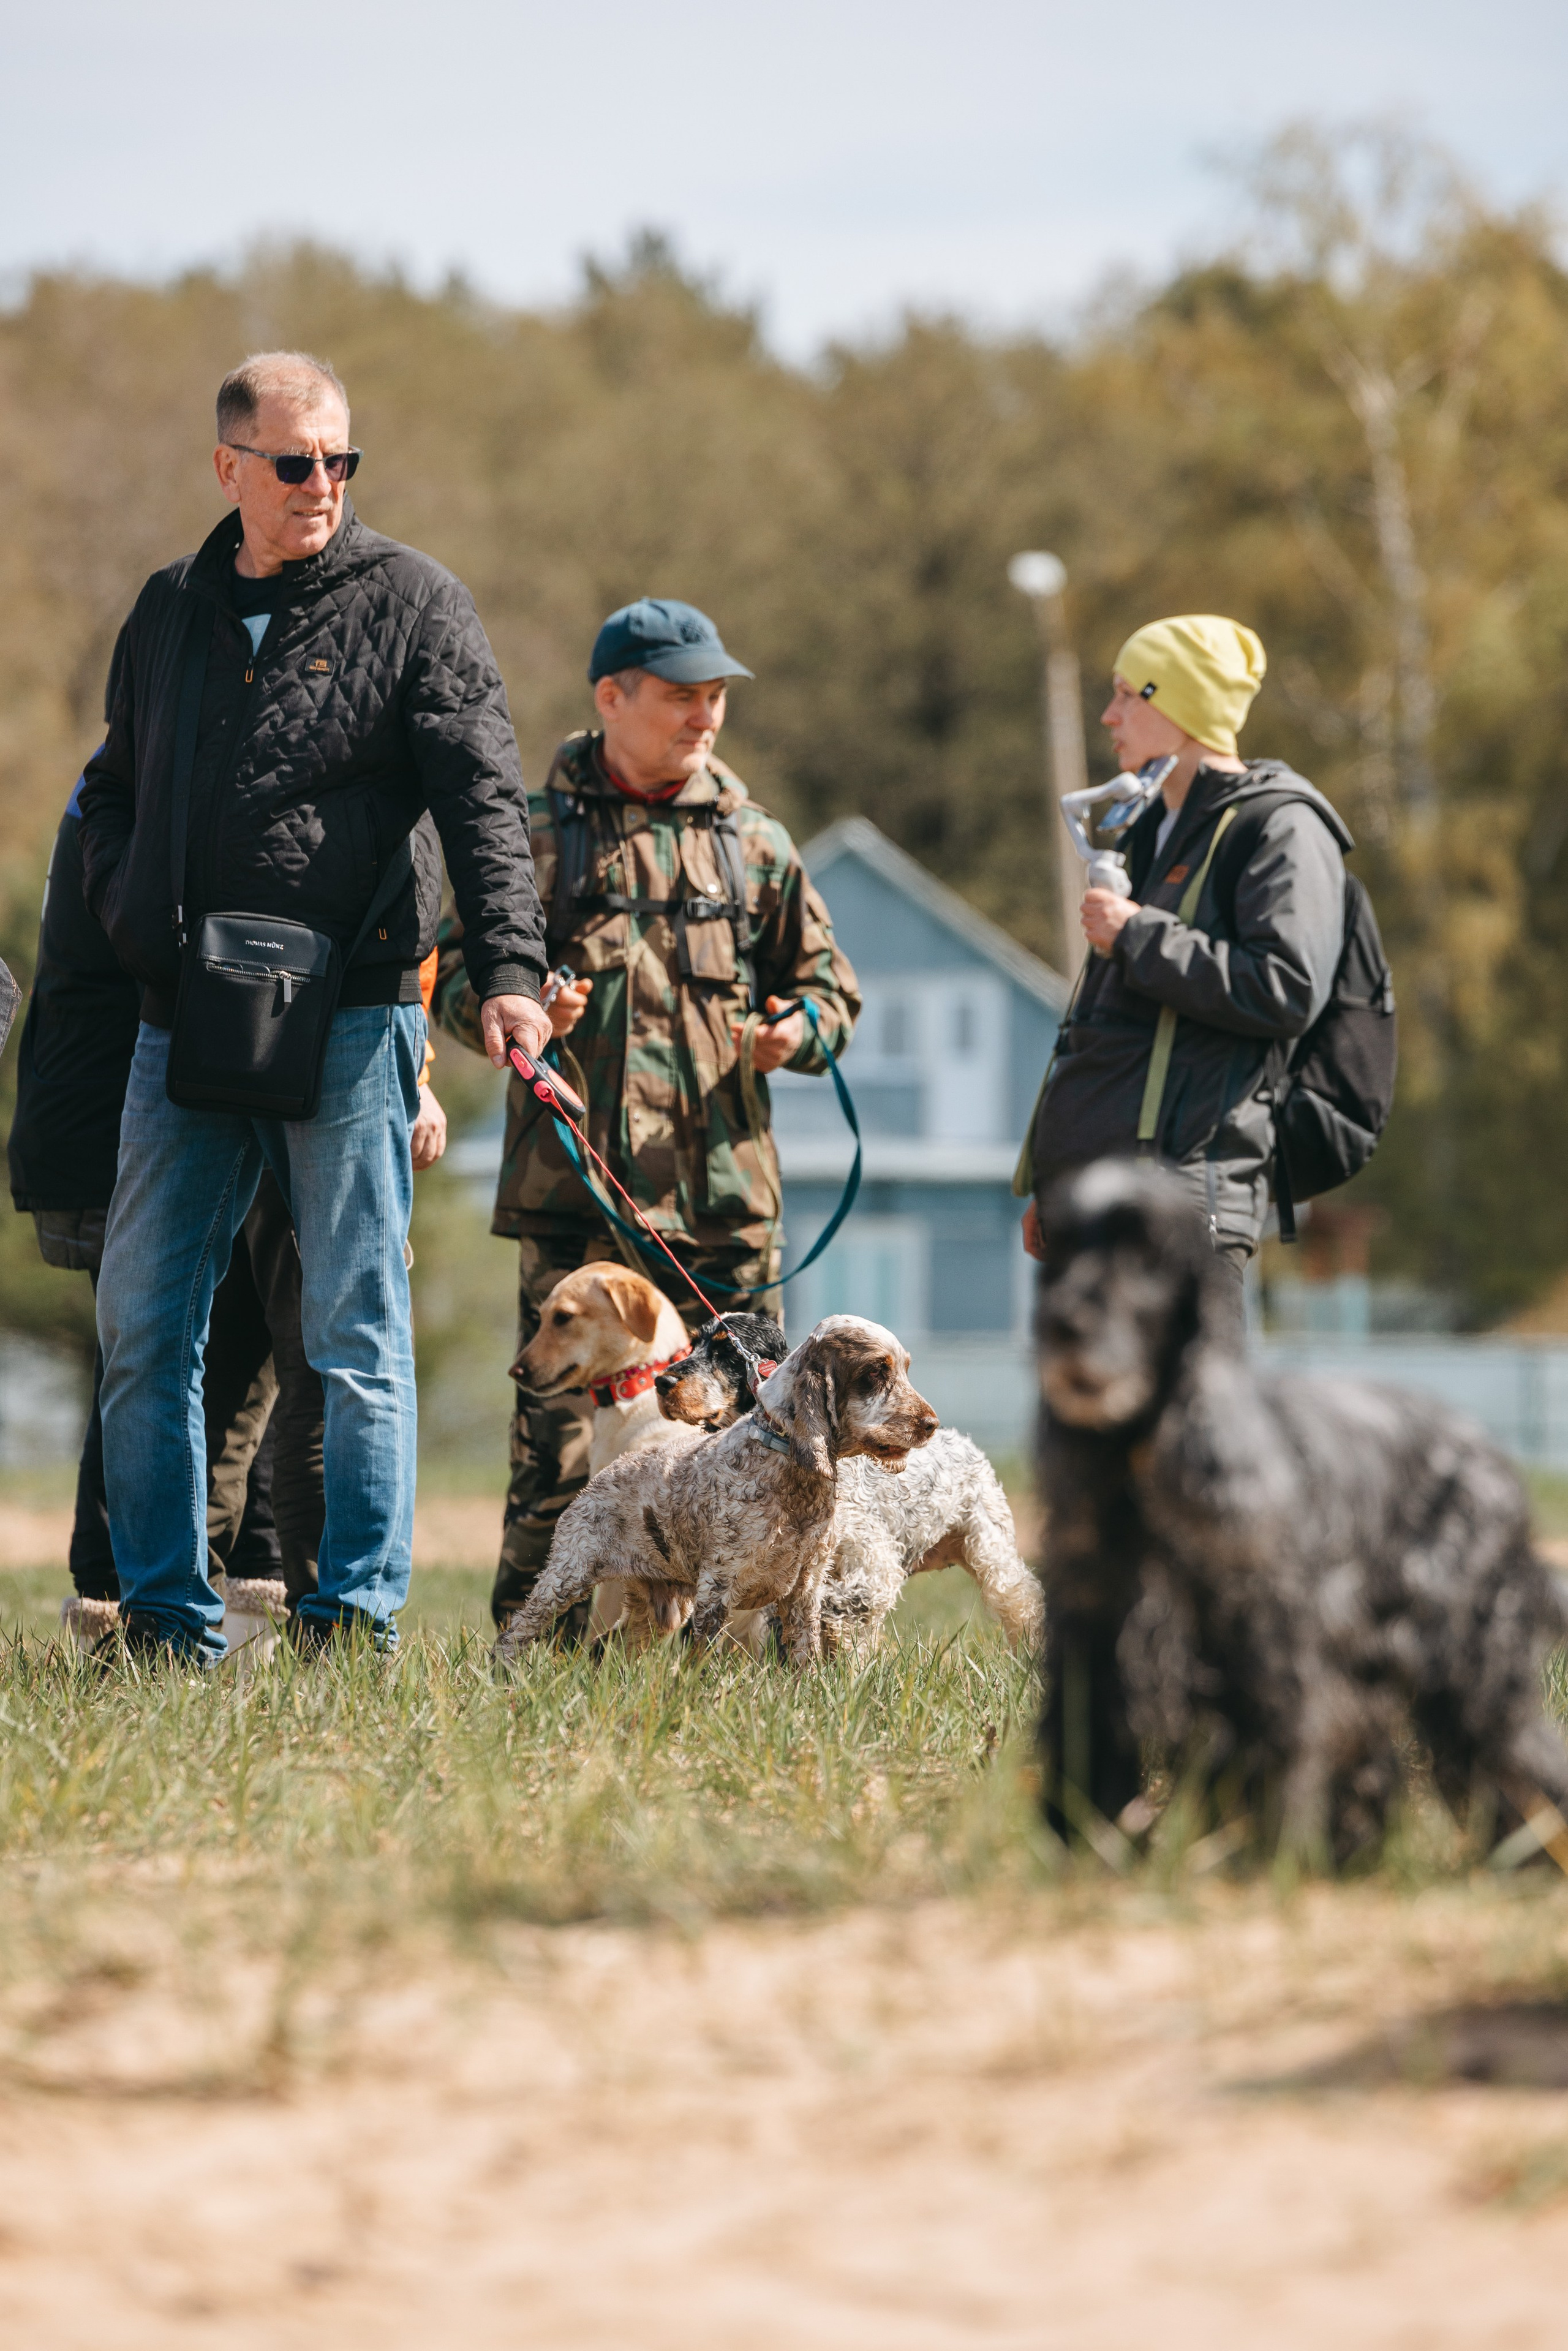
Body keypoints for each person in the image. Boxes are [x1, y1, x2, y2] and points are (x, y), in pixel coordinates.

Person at [76, 349, 548, 1662]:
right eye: (294, 462)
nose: (322, 485)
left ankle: (355, 1621)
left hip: (349, 1011)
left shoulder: (416, 602)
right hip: (182, 1017)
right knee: (146, 1323)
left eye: (341, 459)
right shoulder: (167, 610)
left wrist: (508, 970)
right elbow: (111, 790)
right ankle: (169, 1621)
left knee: (353, 1326)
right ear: (229, 466)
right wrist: (129, 912)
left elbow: (482, 804)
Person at [434, 595, 859, 1631]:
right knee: (558, 1455)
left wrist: (793, 1035)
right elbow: (445, 976)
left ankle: (760, 1660)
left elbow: (832, 992)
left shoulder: (756, 845)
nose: (704, 717)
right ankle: (534, 1659)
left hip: (723, 1208)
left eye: (714, 697)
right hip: (581, 1205)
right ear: (611, 698)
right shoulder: (529, 839)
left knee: (759, 1449)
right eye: (681, 696)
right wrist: (525, 1009)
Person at [1020, 613, 1352, 1319]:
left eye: (1126, 695)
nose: (1108, 715)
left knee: (1190, 1430)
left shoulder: (1279, 826)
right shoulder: (1154, 829)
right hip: (1098, 1200)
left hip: (1182, 1203)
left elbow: (1286, 989)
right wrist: (1054, 1183)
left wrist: (1139, 933)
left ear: (1180, 705)